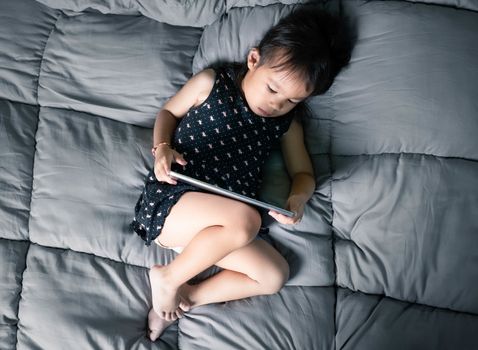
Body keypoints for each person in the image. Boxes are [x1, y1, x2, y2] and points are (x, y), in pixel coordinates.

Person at [130, 6, 351, 341]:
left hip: (223, 230)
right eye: (273, 89)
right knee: (248, 220)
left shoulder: (285, 123)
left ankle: (185, 297)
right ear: (253, 60)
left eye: (292, 100)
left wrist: (298, 198)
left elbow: (303, 172)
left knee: (274, 275)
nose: (277, 105)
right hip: (177, 200)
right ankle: (168, 278)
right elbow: (168, 112)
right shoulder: (212, 83)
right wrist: (162, 147)